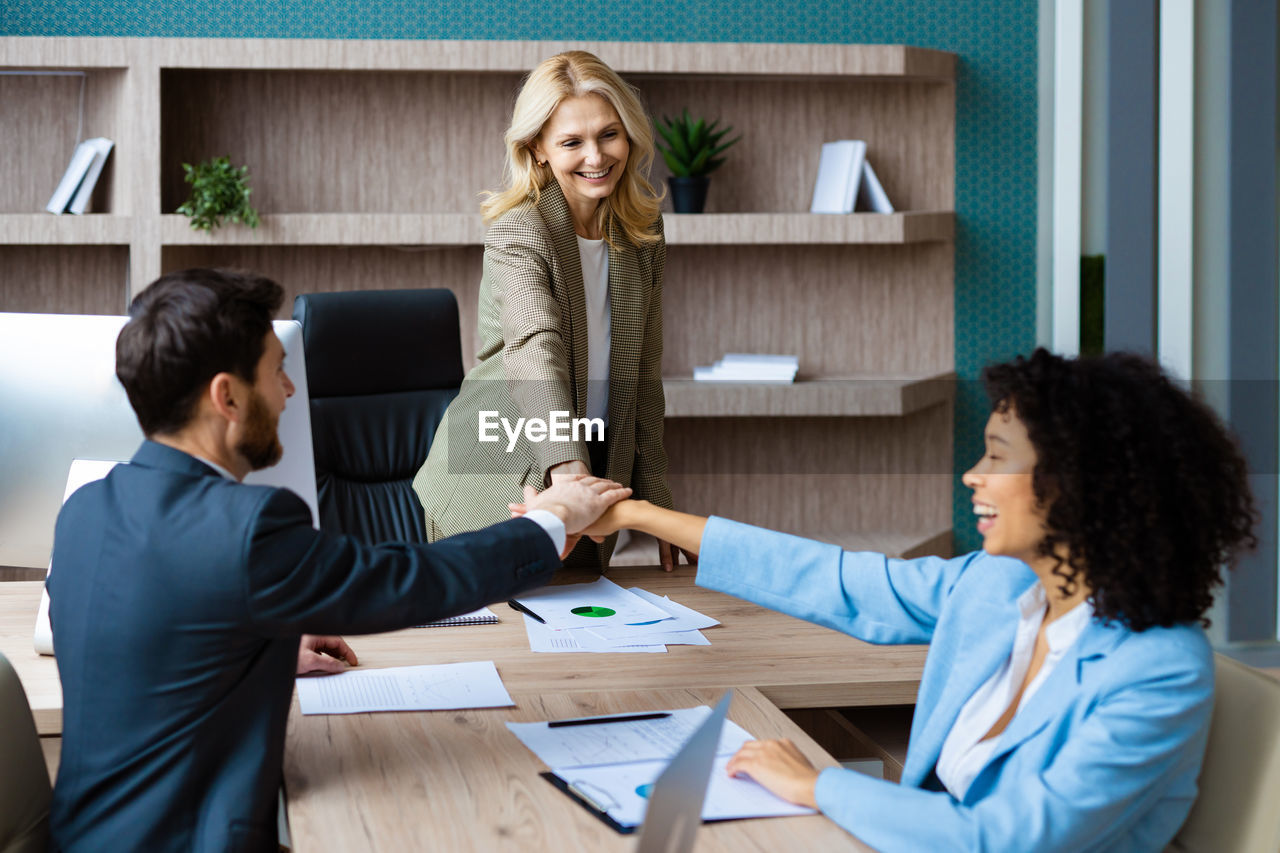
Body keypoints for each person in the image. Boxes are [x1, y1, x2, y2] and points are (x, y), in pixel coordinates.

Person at [530, 348, 1258, 852]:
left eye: (998, 457)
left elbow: (1007, 839)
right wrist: (633, 516)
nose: (973, 476)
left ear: (1079, 480)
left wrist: (823, 786)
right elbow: (839, 581)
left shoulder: (1160, 668)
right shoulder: (1002, 587)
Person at [46, 268, 631, 852]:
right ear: (227, 397)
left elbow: (152, 642)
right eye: (277, 371)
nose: (290, 392)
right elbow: (411, 579)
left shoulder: (85, 509)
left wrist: (259, 642)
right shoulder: (245, 529)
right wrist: (550, 520)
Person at [412, 50, 688, 571]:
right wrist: (568, 475)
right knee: (498, 644)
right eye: (571, 142)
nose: (596, 156)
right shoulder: (521, 230)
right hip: (497, 475)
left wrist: (656, 500)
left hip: (585, 479)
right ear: (537, 149)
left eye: (609, 134)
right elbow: (535, 352)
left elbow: (642, 379)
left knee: (583, 643)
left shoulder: (641, 237)